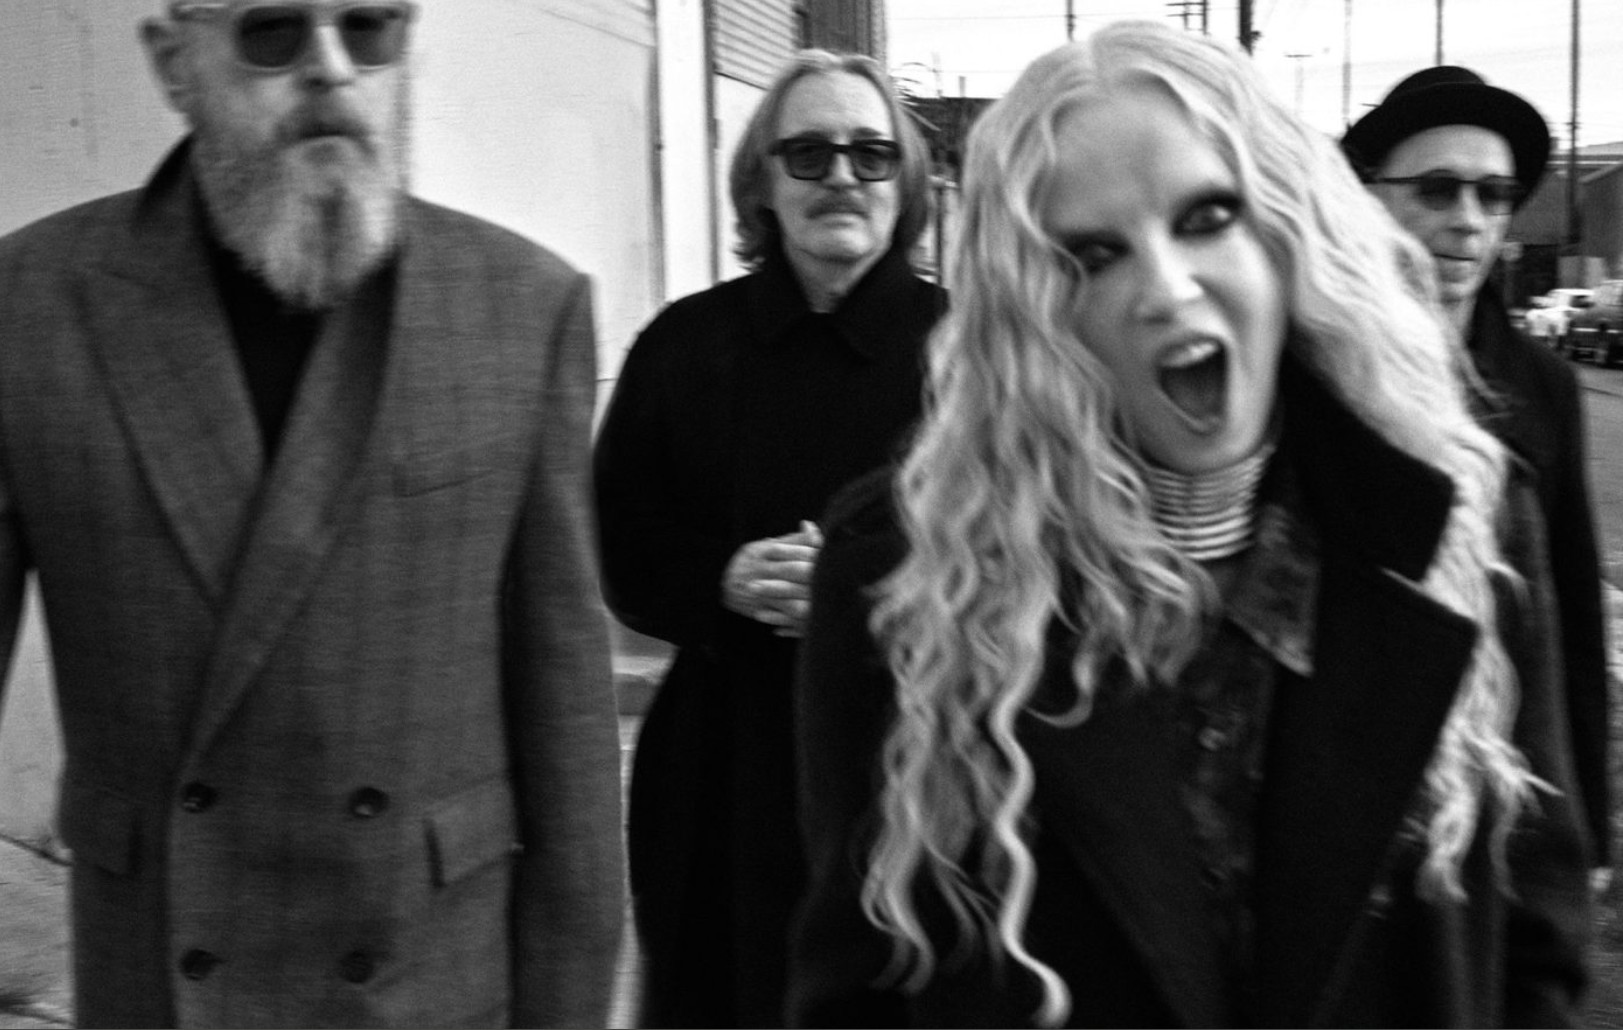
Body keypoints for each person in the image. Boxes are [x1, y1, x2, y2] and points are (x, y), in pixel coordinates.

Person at [788, 22, 1592, 1029]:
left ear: (1289, 235)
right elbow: (855, 979)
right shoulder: (903, 569)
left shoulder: (1466, 518)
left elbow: (1537, 932)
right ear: (1034, 313)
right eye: (1093, 254)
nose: (1167, 290)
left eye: (1207, 216)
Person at [0, 2, 624, 1026]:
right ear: (173, 63)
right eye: (274, 31)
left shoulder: (523, 308)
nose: (332, 68)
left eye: (368, 27)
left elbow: (568, 728)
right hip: (163, 977)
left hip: (434, 981)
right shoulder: (31, 306)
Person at [592, 49, 944, 1027]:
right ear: (762, 181)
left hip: (914, 762)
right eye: (809, 153)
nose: (842, 176)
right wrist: (722, 578)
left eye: (872, 154)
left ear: (906, 181)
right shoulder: (682, 345)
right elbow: (617, 543)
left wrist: (866, 589)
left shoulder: (974, 352)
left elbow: (1029, 551)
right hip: (722, 772)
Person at [1342, 65, 1612, 882]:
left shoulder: (1541, 384)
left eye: (1493, 195)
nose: (1467, 220)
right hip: (1348, 758)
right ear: (1368, 196)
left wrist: (1587, 824)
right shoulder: (1315, 365)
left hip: (1497, 759)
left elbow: (1570, 607)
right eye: (1436, 189)